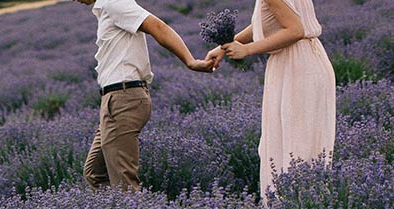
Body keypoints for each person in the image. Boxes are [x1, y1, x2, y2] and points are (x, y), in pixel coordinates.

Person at [77, 0, 214, 191]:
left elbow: (157, 26)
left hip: (124, 98)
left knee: (124, 185)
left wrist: (190, 61)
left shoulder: (114, 2)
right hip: (114, 99)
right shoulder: (106, 7)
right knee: (95, 172)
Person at [207, 0, 335, 198]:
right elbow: (269, 20)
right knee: (305, 144)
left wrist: (247, 50)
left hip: (295, 66)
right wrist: (226, 46)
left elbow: (295, 30)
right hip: (308, 60)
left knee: (295, 147)